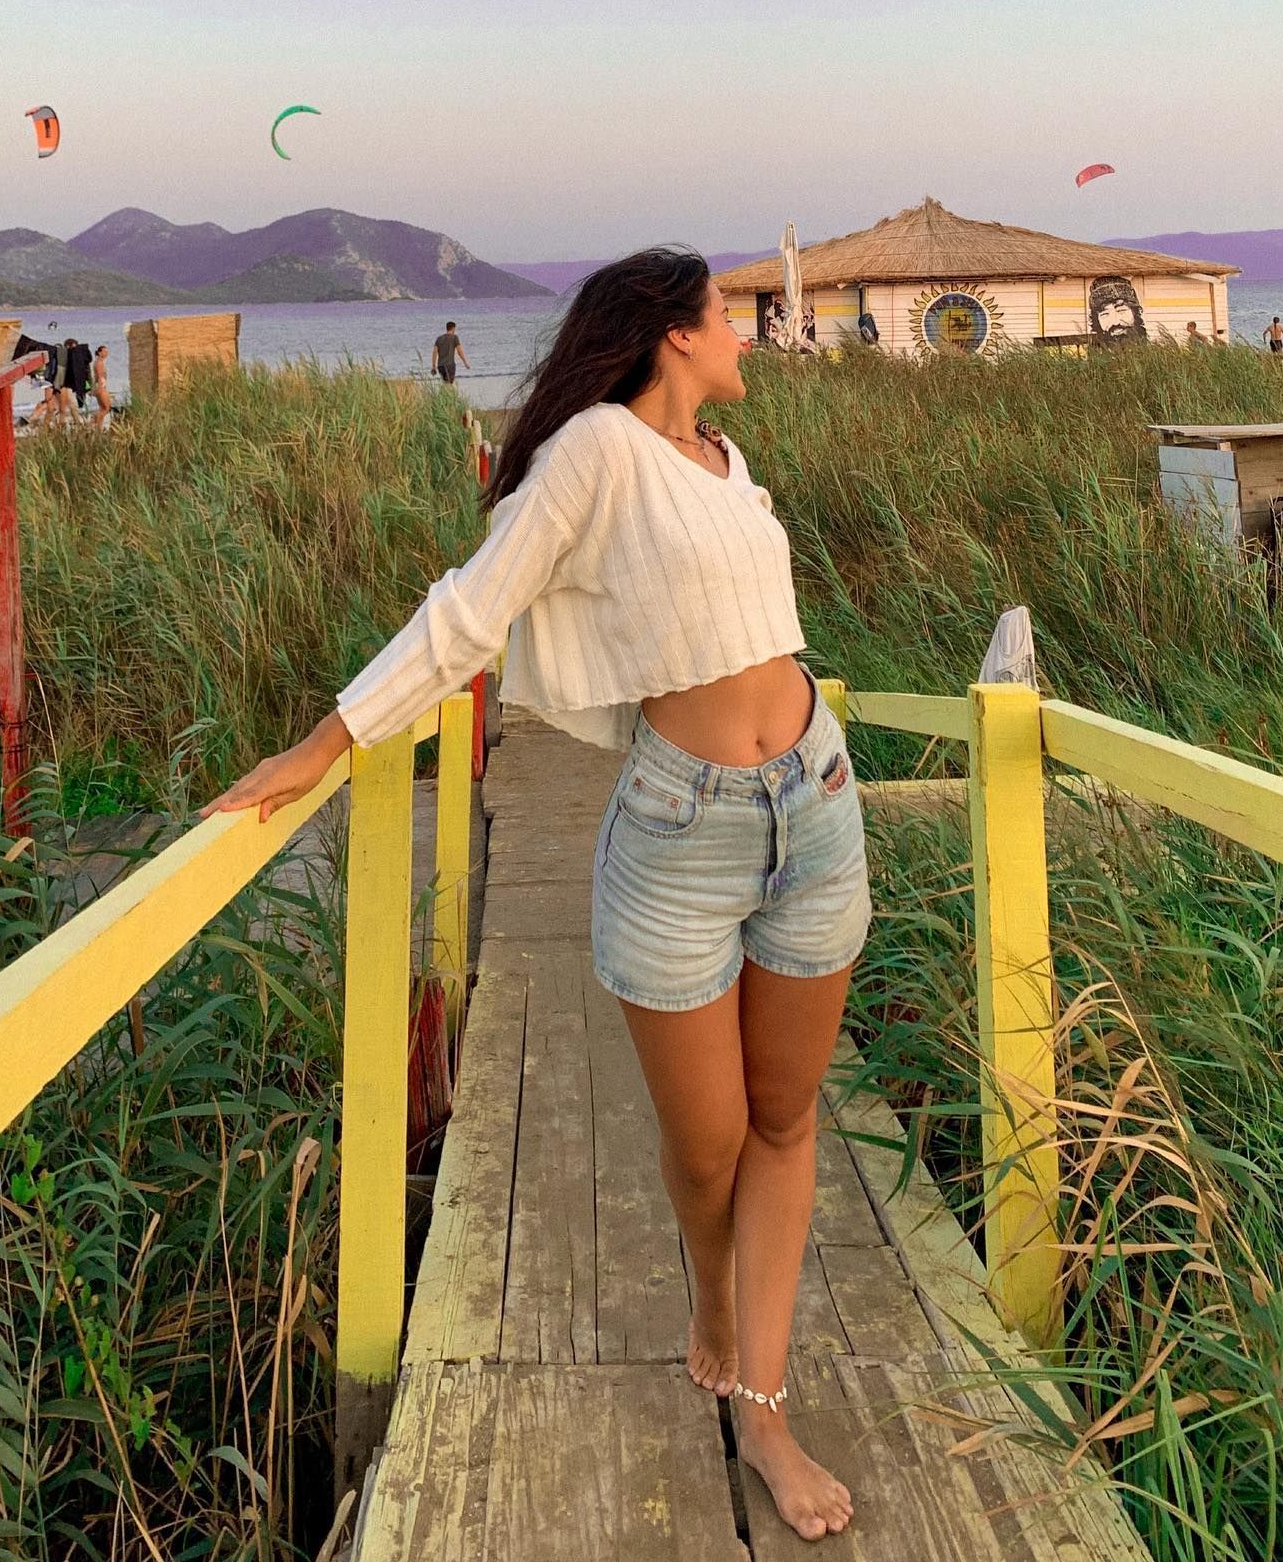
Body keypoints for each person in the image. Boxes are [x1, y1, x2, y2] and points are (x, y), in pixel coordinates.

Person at [198, 249, 866, 1542]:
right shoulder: (597, 453)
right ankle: (715, 1302)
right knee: (710, 1145)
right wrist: (323, 746)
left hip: (818, 803)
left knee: (786, 1124)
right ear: (673, 334)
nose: (749, 336)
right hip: (681, 831)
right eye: (730, 316)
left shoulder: (731, 465)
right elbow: (469, 617)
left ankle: (764, 1406)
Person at [430, 321, 470, 385]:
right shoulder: (454, 337)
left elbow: (434, 352)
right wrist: (465, 363)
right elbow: (459, 351)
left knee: (445, 384)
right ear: (453, 328)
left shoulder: (439, 339)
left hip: (440, 366)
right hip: (450, 365)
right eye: (455, 329)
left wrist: (433, 366)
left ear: (447, 328)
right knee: (449, 385)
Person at [89, 345, 113, 429]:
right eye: (104, 352)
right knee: (106, 407)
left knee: (102, 408)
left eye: (107, 352)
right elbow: (99, 376)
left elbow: (97, 377)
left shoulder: (99, 361)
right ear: (99, 352)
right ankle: (93, 421)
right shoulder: (99, 362)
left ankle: (98, 427)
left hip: (100, 386)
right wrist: (101, 388)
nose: (106, 353)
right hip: (101, 386)